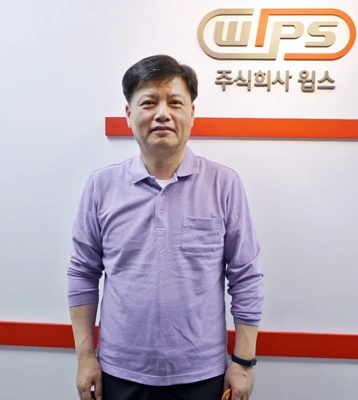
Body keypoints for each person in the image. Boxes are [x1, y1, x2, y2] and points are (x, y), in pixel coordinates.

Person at [66, 54, 264, 400]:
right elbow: (83, 273)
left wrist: (243, 362)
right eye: (148, 102)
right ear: (129, 114)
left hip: (203, 374)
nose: (162, 113)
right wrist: (85, 357)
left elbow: (245, 276)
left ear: (192, 113)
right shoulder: (101, 186)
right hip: (119, 372)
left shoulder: (223, 184)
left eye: (174, 102)